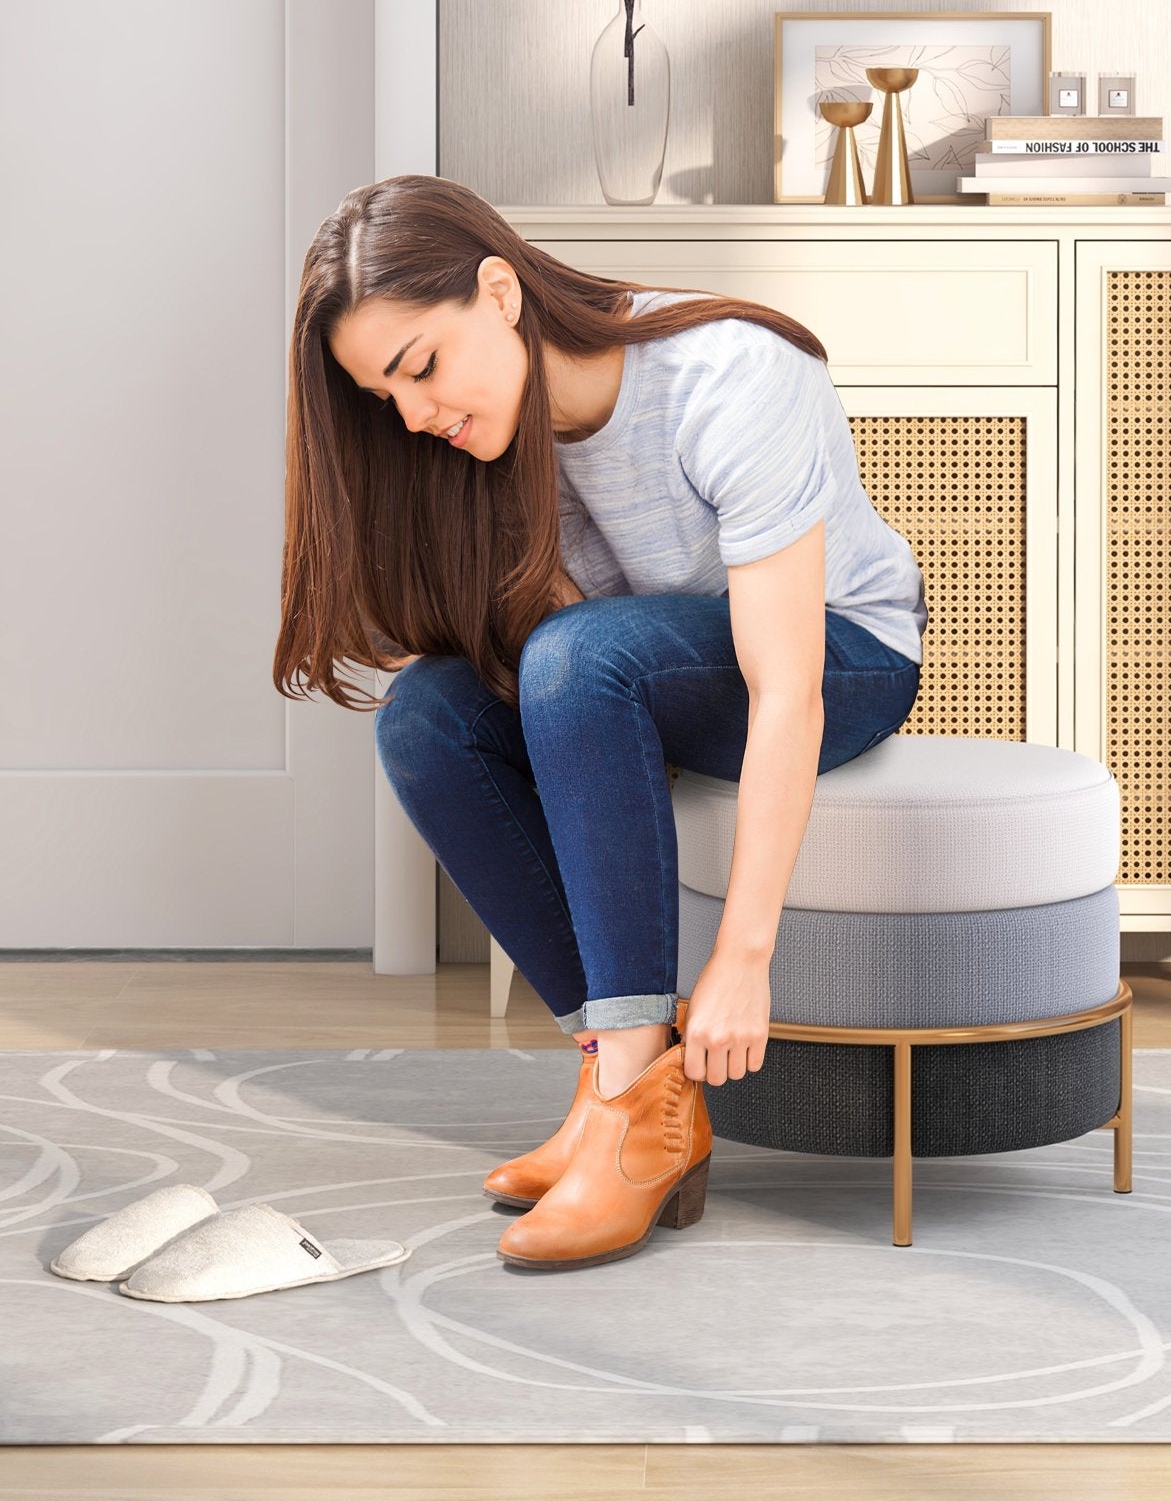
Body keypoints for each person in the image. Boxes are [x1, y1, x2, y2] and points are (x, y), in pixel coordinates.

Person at [272, 174, 928, 1270]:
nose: (417, 415)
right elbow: (550, 672)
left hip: (842, 655)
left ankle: (630, 1108)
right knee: (425, 716)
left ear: (499, 289)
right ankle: (625, 1083)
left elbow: (785, 688)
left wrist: (741, 959)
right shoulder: (481, 447)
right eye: (385, 398)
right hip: (640, 666)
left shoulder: (729, 376)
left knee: (579, 655)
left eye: (421, 369)